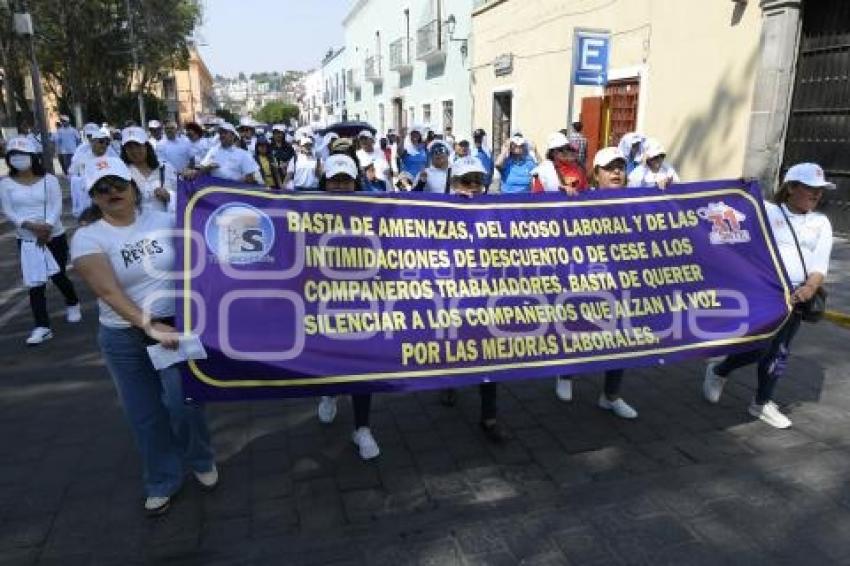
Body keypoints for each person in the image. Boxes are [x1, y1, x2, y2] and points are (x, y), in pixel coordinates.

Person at [70, 156, 217, 516]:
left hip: (175, 328)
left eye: (118, 184)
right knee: (145, 414)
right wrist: (148, 325)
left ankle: (200, 458)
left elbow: (210, 235)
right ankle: (162, 479)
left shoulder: (166, 219)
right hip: (125, 338)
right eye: (101, 189)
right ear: (93, 196)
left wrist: (203, 184)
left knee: (185, 405)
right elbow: (107, 291)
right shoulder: (87, 237)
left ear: (134, 187)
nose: (112, 193)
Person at [702, 163, 834, 429]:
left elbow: (820, 265)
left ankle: (761, 403)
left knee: (779, 352)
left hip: (798, 296)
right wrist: (736, 188)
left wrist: (809, 288)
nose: (817, 194)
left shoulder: (821, 222)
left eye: (820, 190)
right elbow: (715, 212)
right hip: (764, 291)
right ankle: (719, 370)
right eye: (811, 188)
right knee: (757, 347)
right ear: (791, 188)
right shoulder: (766, 211)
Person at [554, 147, 638, 419]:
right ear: (596, 174)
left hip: (621, 278)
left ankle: (611, 395)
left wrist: (664, 190)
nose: (616, 172)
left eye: (620, 167)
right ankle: (565, 373)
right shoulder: (581, 198)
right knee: (577, 326)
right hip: (585, 276)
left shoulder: (637, 198)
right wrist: (563, 198)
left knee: (621, 335)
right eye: (609, 167)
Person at [439, 156, 511, 443]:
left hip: (485, 297)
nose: (472, 188)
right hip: (451, 296)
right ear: (453, 183)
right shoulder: (434, 211)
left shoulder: (494, 210)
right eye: (465, 182)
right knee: (453, 347)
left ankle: (489, 417)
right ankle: (449, 384)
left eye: (478, 182)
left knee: (489, 355)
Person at [315, 154, 380, 460]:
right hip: (321, 299)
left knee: (361, 363)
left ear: (356, 183)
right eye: (335, 181)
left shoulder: (374, 209)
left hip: (361, 299)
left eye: (346, 181)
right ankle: (328, 393)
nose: (340, 187)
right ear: (324, 182)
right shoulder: (304, 210)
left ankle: (362, 428)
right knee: (328, 358)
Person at [0, 136, 82, 345]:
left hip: (53, 235)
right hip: (27, 239)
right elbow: (8, 210)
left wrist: (47, 226)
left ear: (33, 157)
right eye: (14, 156)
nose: (18, 159)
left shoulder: (49, 180)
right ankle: (42, 326)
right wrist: (29, 226)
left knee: (58, 275)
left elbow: (55, 205)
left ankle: (72, 302)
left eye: (23, 155)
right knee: (35, 283)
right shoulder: (6, 184)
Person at [120, 126, 177, 213]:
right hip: (136, 224)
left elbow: (182, 197)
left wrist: (169, 196)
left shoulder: (165, 168)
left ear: (147, 146)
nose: (134, 151)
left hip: (166, 224)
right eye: (129, 147)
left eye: (138, 145)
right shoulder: (121, 173)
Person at [69, 128, 118, 219]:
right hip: (89, 201)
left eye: (107, 143)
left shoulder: (113, 159)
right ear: (93, 142)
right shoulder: (82, 158)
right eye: (101, 142)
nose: (104, 145)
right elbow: (72, 175)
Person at [197, 123, 262, 185]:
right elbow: (201, 170)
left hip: (233, 193)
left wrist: (239, 182)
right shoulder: (213, 151)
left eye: (225, 133)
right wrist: (208, 168)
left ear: (233, 135)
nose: (222, 135)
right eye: (221, 133)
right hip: (214, 192)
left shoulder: (244, 154)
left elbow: (251, 178)